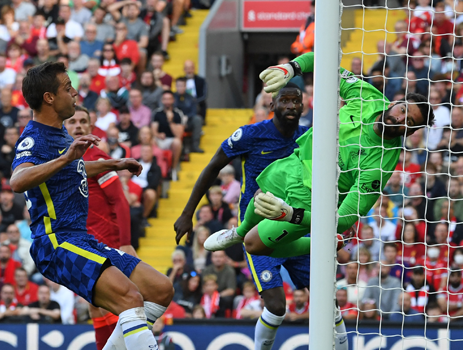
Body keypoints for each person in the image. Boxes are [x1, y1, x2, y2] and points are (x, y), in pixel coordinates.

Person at [205, 51, 433, 261]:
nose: (400, 119)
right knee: (259, 197)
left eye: (409, 122)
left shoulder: (380, 166)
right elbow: (322, 61)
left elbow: (341, 220)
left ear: (410, 132)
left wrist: (290, 214)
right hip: (297, 163)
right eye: (403, 110)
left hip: (314, 199)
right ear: (395, 102)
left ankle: (320, 245)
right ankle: (238, 232)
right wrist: (290, 69)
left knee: (254, 245)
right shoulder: (368, 97)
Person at [11, 62, 173, 349]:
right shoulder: (33, 138)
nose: (75, 93)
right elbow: (18, 180)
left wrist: (113, 163)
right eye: (67, 87)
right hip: (56, 244)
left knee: (160, 289)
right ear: (49, 97)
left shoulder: (60, 132)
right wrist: (65, 158)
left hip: (82, 238)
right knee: (130, 299)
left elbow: (74, 168)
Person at [173, 82, 344, 350]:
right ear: (272, 105)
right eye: (284, 101)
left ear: (304, 105)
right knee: (276, 307)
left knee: (328, 301)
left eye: (295, 101)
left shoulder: (309, 138)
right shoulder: (250, 135)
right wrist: (187, 213)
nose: (290, 105)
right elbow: (213, 166)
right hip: (259, 229)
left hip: (295, 227)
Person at [65, 105, 138, 350]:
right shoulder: (62, 161)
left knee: (115, 304)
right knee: (95, 305)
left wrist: (126, 242)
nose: (78, 126)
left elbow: (119, 200)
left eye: (83, 122)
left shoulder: (98, 158)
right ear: (64, 126)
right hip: (83, 244)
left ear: (91, 127)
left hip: (108, 243)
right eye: (72, 122)